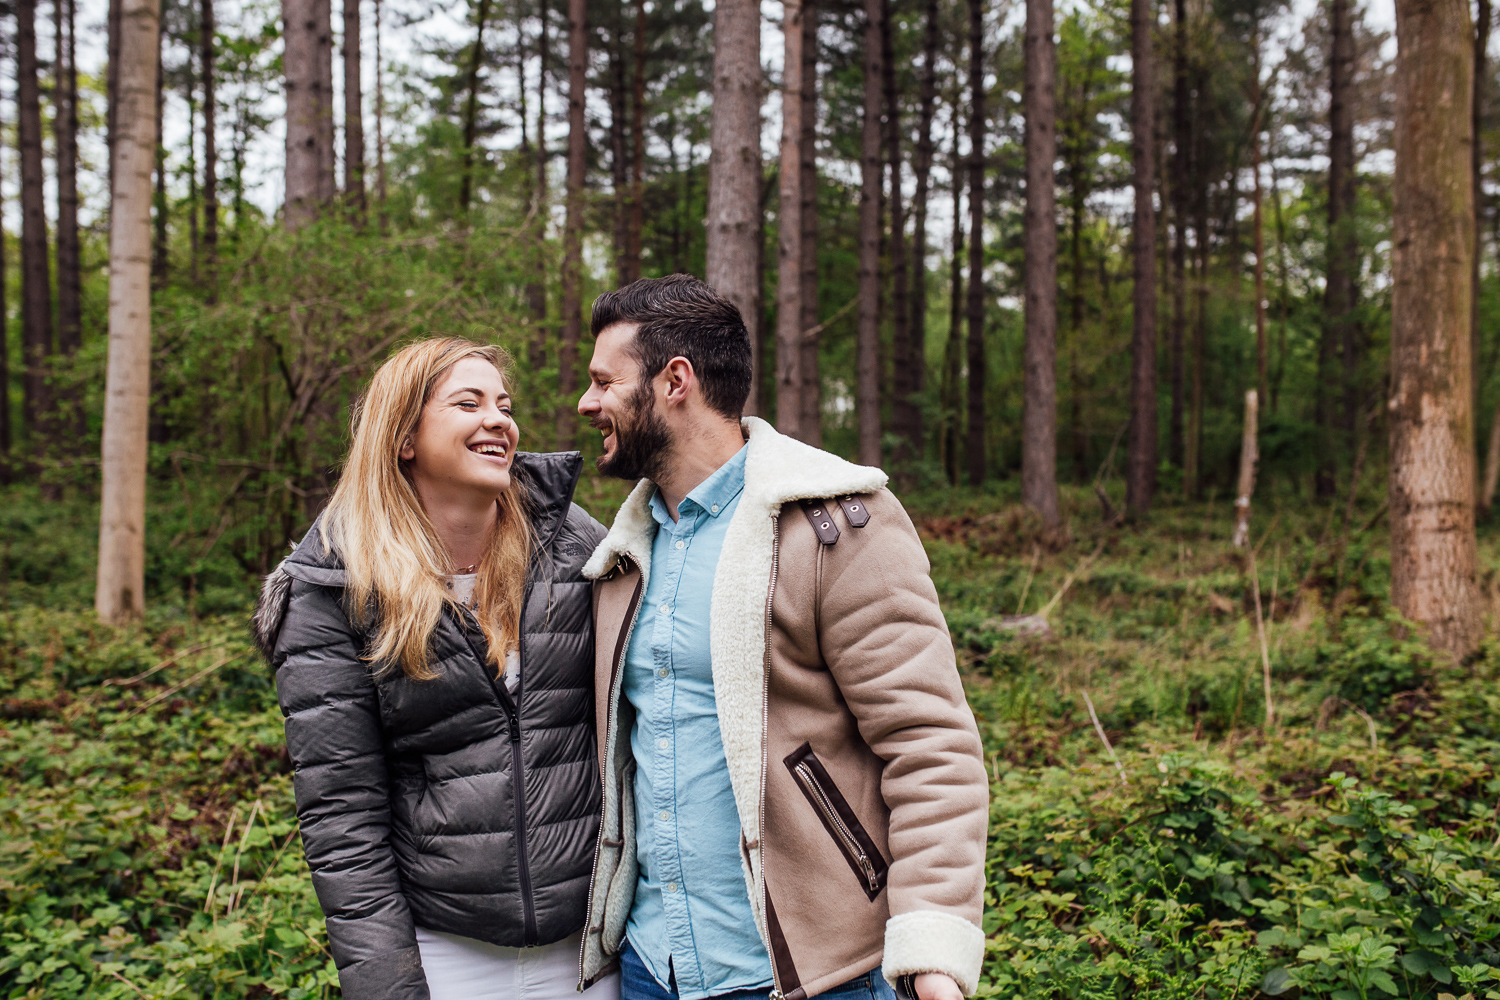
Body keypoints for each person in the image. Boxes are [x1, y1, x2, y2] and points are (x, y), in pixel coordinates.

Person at [572, 275, 989, 1000]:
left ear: (676, 381)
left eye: (604, 381)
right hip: (652, 967)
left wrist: (932, 943)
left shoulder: (836, 525)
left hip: (808, 975)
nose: (587, 403)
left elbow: (930, 748)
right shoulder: (622, 552)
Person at [252, 338, 617, 1000]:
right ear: (405, 438)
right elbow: (343, 819)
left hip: (594, 948)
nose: (498, 420)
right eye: (467, 403)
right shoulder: (335, 585)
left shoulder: (576, 546)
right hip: (447, 952)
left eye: (504, 405)